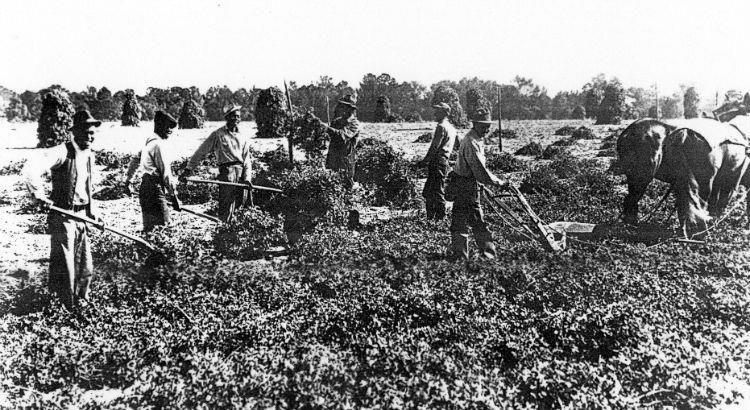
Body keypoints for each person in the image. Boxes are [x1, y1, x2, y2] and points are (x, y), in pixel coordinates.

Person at [22, 110, 103, 309]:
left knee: (85, 264)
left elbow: (86, 187)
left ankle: (82, 304)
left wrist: (94, 212)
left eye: (93, 133)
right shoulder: (61, 152)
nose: (90, 137)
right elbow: (31, 169)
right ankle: (63, 307)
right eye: (86, 133)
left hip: (81, 215)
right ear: (74, 132)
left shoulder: (88, 155)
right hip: (63, 215)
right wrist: (39, 195)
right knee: (64, 266)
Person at [449, 108, 508, 260]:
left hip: (466, 183)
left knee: (462, 220)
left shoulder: (476, 139)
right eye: (483, 126)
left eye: (488, 126)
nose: (486, 130)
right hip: (465, 186)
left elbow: (479, 171)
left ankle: (462, 256)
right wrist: (498, 182)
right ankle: (486, 255)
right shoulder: (471, 142)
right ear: (474, 124)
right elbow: (480, 170)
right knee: (472, 221)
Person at [179, 104, 252, 222]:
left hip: (241, 172)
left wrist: (247, 178)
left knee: (240, 204)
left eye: (238, 117)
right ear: (227, 117)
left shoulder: (243, 136)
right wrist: (188, 169)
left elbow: (247, 159)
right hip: (227, 172)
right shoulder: (218, 134)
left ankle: (235, 232)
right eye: (233, 116)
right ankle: (223, 231)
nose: (236, 119)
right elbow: (201, 152)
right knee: (226, 205)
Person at [124, 111, 181, 232]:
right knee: (162, 227)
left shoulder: (148, 142)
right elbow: (165, 174)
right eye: (168, 127)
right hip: (155, 189)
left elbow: (135, 161)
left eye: (172, 127)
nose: (170, 130)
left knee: (149, 228)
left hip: (144, 188)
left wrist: (128, 181)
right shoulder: (158, 145)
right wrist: (174, 197)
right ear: (160, 126)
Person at [418, 102, 457, 220]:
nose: (435, 113)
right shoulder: (451, 127)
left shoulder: (441, 127)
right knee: (430, 190)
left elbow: (434, 147)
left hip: (437, 161)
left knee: (435, 191)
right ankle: (432, 217)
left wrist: (424, 161)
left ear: (444, 113)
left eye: (438, 111)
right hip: (444, 161)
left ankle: (439, 218)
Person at [314, 95, 360, 189]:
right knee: (331, 186)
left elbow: (342, 136)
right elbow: (327, 137)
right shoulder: (337, 122)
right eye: (340, 106)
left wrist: (326, 128)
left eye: (343, 106)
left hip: (345, 161)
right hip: (332, 159)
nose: (340, 108)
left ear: (350, 109)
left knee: (346, 187)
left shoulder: (354, 123)